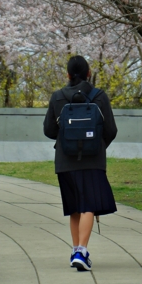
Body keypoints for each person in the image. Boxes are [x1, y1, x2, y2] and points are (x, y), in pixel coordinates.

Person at [43, 55, 118, 272]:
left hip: (65, 161)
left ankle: (76, 248)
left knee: (74, 208)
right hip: (93, 161)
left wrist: (67, 140)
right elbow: (111, 130)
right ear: (88, 74)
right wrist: (97, 145)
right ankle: (81, 251)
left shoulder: (58, 97)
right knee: (89, 206)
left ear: (67, 74)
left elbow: (49, 130)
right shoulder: (99, 97)